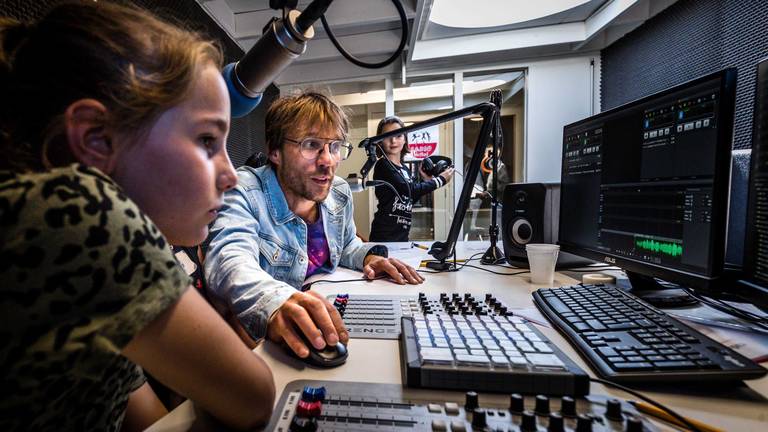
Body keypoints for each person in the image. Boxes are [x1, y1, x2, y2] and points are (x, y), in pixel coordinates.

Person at [0, 2, 275, 431]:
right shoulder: (79, 217)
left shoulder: (91, 275)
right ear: (95, 139)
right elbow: (253, 399)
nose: (231, 176)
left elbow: (146, 419)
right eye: (206, 140)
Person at [204, 92, 424, 359]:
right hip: (263, 344)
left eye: (334, 147)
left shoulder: (339, 191)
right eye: (311, 145)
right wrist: (277, 302)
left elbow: (346, 243)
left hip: (323, 317)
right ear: (275, 151)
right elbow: (229, 260)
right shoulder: (244, 190)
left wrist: (369, 255)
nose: (327, 161)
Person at [369, 116, 455, 242]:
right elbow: (410, 189)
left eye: (398, 136)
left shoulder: (405, 169)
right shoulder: (383, 165)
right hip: (384, 235)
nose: (393, 141)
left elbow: (409, 199)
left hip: (402, 235)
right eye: (388, 136)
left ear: (405, 139)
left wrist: (426, 181)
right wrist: (440, 180)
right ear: (380, 141)